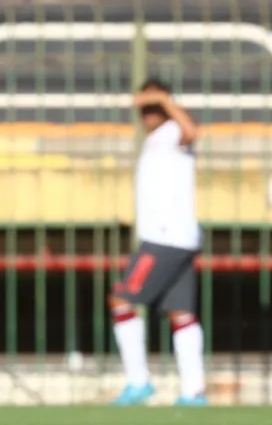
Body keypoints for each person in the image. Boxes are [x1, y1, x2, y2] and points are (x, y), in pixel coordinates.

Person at [109, 78, 206, 406]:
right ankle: (193, 392)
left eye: (153, 108)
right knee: (181, 313)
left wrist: (164, 101)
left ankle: (138, 382)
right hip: (179, 238)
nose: (146, 115)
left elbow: (191, 131)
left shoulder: (173, 132)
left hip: (164, 238)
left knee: (121, 301)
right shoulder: (153, 141)